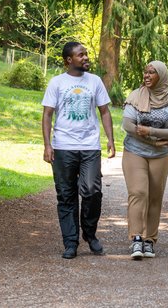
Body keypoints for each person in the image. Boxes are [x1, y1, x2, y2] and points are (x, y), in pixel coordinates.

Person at [42, 41, 116, 259]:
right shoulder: (57, 83)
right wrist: (47, 145)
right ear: (69, 60)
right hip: (63, 146)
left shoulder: (95, 81)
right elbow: (47, 115)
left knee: (92, 191)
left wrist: (110, 139)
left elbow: (104, 111)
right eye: (81, 55)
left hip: (89, 146)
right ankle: (70, 242)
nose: (86, 58)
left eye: (86, 54)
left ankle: (90, 234)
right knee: (66, 195)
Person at [121, 61, 168, 260]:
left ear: (162, 76)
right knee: (138, 192)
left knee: (155, 196)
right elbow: (128, 125)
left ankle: (150, 240)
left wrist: (151, 131)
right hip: (135, 151)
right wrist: (155, 140)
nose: (146, 76)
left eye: (152, 73)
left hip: (160, 156)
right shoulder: (136, 95)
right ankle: (137, 238)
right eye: (145, 72)